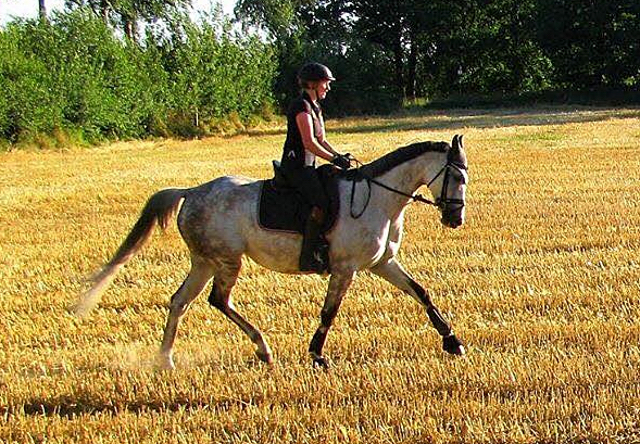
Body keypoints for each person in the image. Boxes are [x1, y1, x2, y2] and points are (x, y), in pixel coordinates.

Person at [280, 62, 351, 273]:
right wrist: (332, 159)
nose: (328, 87)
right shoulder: (301, 106)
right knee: (320, 201)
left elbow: (323, 140)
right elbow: (309, 143)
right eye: (325, 83)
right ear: (312, 84)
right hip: (295, 167)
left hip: (309, 165)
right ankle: (308, 256)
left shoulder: (315, 107)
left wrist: (339, 156)